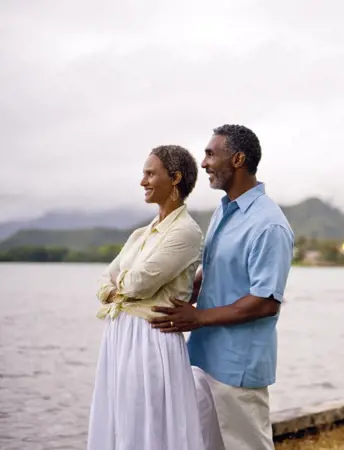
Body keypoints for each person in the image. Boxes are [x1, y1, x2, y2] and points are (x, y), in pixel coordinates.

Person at [150, 125, 294, 449]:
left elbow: (266, 301)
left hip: (237, 366)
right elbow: (212, 269)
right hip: (203, 355)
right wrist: (176, 293)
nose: (203, 163)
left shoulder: (269, 224)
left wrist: (198, 318)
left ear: (239, 159)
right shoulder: (223, 210)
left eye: (211, 154)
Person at [87, 145, 220, 450]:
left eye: (150, 173)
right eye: (143, 173)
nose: (143, 181)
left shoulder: (186, 232)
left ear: (174, 178)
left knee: (149, 424)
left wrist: (116, 289)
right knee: (120, 421)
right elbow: (103, 281)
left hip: (151, 337)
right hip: (120, 334)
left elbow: (138, 284)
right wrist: (115, 288)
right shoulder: (140, 234)